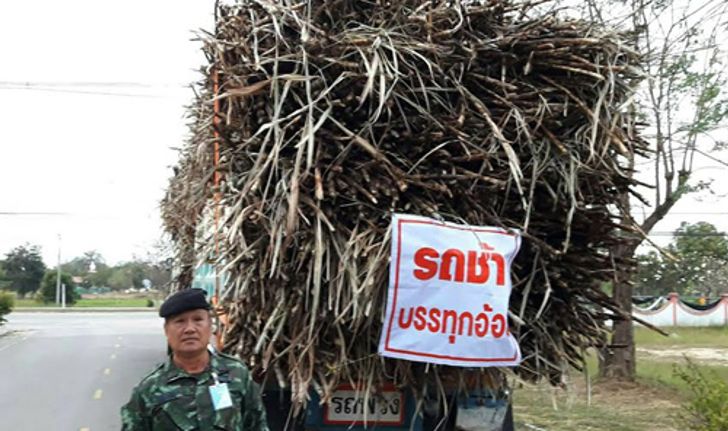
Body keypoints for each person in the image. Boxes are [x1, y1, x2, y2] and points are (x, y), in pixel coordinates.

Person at [121, 288, 269, 430]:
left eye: (198, 319)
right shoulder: (149, 388)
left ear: (210, 326)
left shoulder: (236, 373)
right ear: (166, 330)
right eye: (180, 321)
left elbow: (257, 425)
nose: (190, 329)